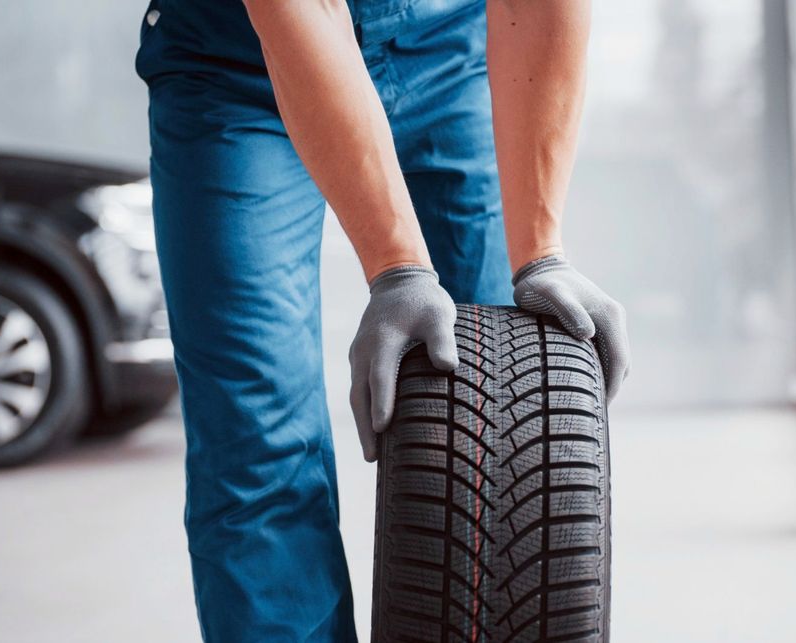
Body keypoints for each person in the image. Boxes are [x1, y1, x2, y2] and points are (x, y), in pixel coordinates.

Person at [135, 0, 630, 640]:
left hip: (447, 51)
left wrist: (541, 253)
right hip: (237, 70)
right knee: (259, 442)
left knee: (502, 416)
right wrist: (398, 268)